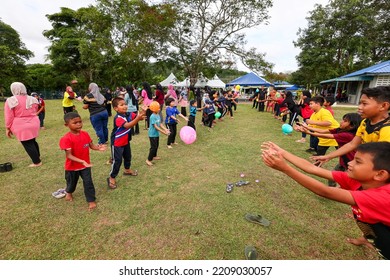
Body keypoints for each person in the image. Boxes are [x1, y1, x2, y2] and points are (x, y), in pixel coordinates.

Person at [261, 141, 390, 259]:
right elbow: (311, 168)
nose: (350, 163)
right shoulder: (358, 180)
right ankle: (367, 239)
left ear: (380, 174)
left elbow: (324, 191)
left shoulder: (383, 197)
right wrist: (281, 152)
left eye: (358, 161)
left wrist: (286, 168)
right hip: (376, 229)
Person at [312, 86, 390, 165]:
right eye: (360, 103)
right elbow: (352, 144)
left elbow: (381, 158)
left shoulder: (387, 129)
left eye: (364, 104)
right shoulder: (365, 122)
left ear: (383, 106)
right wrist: (329, 156)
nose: (359, 107)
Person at [298, 113, 362, 186]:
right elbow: (323, 131)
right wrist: (307, 128)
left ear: (352, 126)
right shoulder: (341, 130)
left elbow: (326, 136)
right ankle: (333, 190)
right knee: (333, 177)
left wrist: (308, 132)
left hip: (350, 162)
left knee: (347, 182)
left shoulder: (348, 135)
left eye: (345, 121)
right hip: (343, 161)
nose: (341, 122)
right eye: (343, 120)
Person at [59, 112, 106, 210]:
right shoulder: (66, 139)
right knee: (71, 183)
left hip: (85, 166)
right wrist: (81, 161)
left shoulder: (85, 134)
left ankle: (91, 200)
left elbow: (92, 146)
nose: (79, 124)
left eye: (80, 122)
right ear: (66, 125)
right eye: (75, 123)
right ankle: (69, 192)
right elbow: (69, 155)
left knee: (88, 182)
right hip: (72, 167)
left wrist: (98, 148)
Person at [107, 97, 146, 189]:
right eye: (121, 105)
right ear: (116, 108)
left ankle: (127, 170)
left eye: (125, 104)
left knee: (128, 156)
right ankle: (111, 177)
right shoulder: (118, 118)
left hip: (125, 141)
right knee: (117, 161)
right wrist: (137, 119)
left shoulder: (128, 114)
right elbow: (128, 125)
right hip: (117, 143)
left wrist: (143, 111)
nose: (124, 106)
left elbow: (139, 116)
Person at [4, 82, 42, 167]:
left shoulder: (11, 100)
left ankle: (37, 162)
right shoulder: (32, 98)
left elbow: (9, 116)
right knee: (32, 141)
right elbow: (35, 109)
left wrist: (8, 128)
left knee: (27, 143)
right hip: (34, 122)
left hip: (21, 125)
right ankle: (37, 156)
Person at [146, 101, 170, 166]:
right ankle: (148, 159)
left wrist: (165, 129)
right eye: (158, 108)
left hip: (156, 134)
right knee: (153, 147)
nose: (159, 109)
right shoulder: (152, 116)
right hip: (152, 134)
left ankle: (154, 156)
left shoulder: (158, 115)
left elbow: (160, 124)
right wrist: (164, 132)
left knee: (156, 146)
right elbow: (156, 126)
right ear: (154, 109)